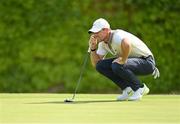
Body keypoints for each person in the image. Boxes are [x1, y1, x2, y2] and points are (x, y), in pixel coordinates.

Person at [88, 18, 160, 101]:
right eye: (94, 32)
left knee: (116, 65)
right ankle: (128, 90)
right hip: (134, 61)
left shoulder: (117, 35)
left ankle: (140, 88)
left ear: (106, 30)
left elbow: (127, 44)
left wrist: (123, 59)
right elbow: (96, 63)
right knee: (100, 66)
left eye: (97, 32)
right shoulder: (102, 43)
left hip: (147, 62)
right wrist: (93, 48)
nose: (95, 35)